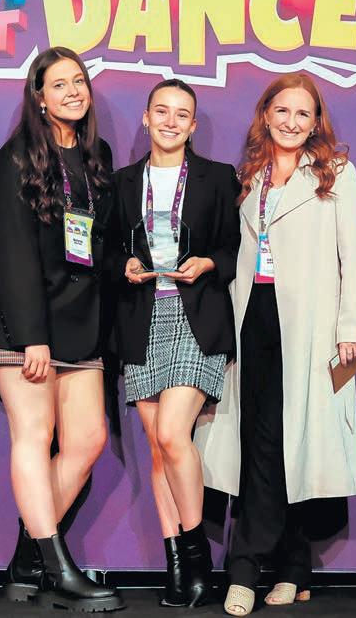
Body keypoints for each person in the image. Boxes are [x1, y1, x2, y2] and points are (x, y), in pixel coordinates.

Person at [196, 73, 356, 615]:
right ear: (265, 115)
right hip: (253, 320)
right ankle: (289, 567)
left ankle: (248, 568)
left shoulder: (336, 172)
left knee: (289, 441)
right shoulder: (250, 176)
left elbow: (354, 255)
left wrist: (350, 327)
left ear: (316, 122)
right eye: (283, 111)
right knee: (261, 441)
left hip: (311, 326)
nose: (292, 122)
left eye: (303, 113)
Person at [0, 47, 124, 613]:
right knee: (34, 435)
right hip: (22, 323)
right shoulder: (15, 158)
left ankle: (25, 562)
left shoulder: (97, 156)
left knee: (87, 440)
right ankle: (58, 569)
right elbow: (11, 253)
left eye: (78, 81)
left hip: (79, 320)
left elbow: (96, 243)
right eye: (59, 84)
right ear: (38, 97)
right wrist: (32, 336)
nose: (73, 92)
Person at [111, 78, 240, 607]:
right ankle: (179, 570)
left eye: (181, 114)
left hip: (197, 317)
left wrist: (207, 262)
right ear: (146, 118)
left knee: (171, 432)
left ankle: (198, 559)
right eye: (161, 111)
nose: (170, 121)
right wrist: (123, 263)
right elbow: (104, 249)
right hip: (141, 318)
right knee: (158, 450)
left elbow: (233, 248)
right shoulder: (121, 182)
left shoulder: (217, 177)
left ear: (192, 125)